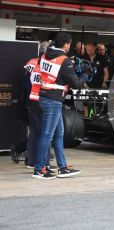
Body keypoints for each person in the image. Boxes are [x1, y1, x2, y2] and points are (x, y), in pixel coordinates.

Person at [33, 32, 86, 179]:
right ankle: (39, 169)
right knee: (47, 135)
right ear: (66, 44)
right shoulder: (64, 60)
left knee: (58, 134)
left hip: (44, 97)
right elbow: (76, 84)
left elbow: (47, 74)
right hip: (53, 101)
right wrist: (84, 76)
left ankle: (62, 167)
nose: (70, 46)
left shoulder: (43, 56)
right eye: (70, 44)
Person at [24, 41, 55, 171]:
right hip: (41, 100)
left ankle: (30, 161)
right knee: (45, 132)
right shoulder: (47, 65)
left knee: (34, 132)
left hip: (30, 100)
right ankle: (44, 162)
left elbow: (25, 83)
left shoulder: (31, 62)